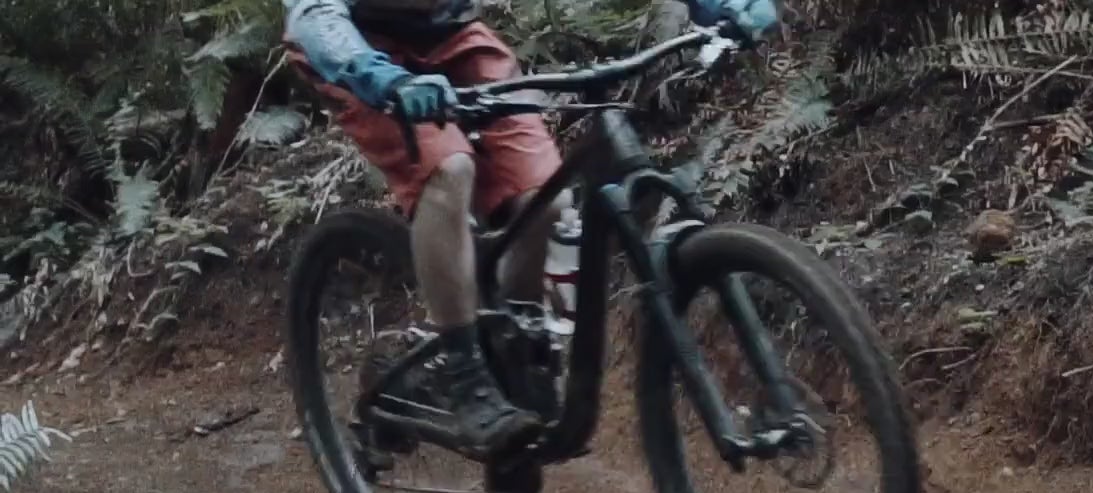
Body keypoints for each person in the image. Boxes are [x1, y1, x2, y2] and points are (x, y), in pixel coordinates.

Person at [281, 0, 780, 459]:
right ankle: (463, 372)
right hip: (358, 50)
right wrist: (382, 79)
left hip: (451, 34)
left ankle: (515, 345)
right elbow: (316, 16)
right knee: (448, 170)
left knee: (544, 199)